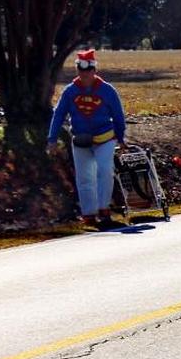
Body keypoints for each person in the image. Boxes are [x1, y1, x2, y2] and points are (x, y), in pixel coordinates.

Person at [47, 50, 127, 227]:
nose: (85, 74)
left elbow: (118, 115)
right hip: (81, 140)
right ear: (78, 71)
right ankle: (89, 213)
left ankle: (104, 208)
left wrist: (121, 137)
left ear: (94, 70)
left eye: (88, 70)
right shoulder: (70, 91)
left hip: (105, 138)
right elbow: (58, 115)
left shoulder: (107, 90)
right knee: (84, 177)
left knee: (105, 171)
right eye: (81, 70)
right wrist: (52, 139)